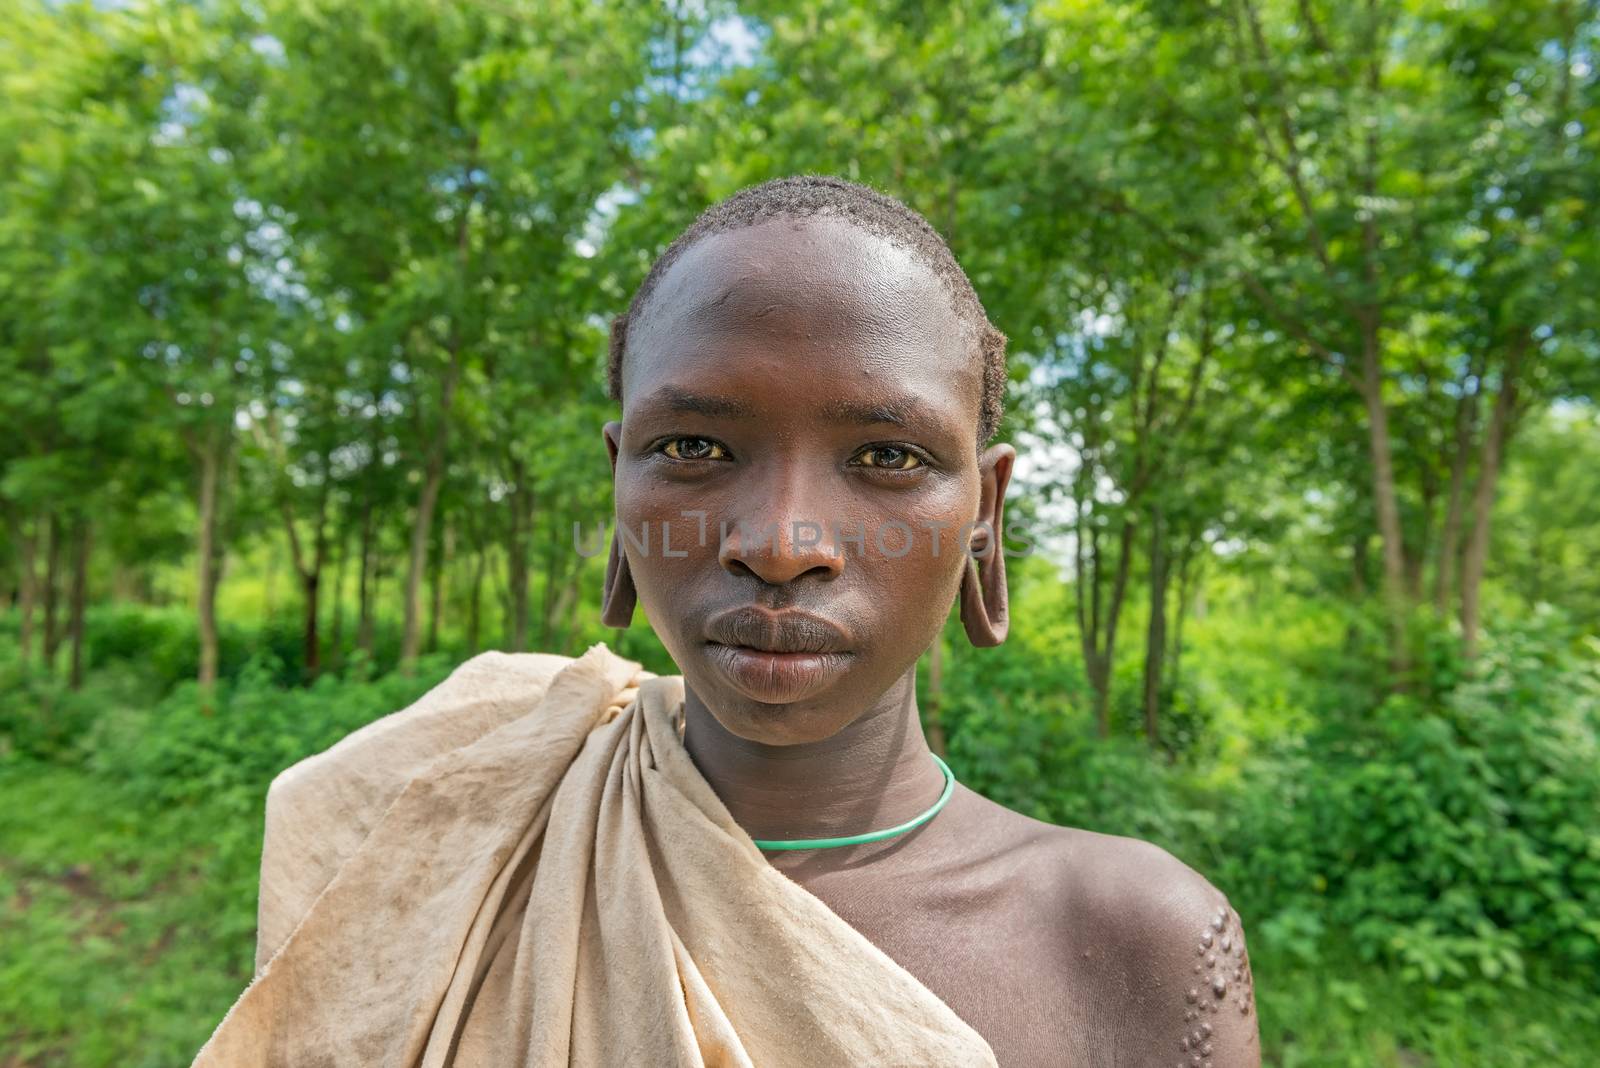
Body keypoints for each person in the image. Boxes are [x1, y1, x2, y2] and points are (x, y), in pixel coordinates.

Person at [194, 175, 1259, 1068]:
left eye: (887, 457)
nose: (783, 540)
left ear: (984, 512)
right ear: (618, 482)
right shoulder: (426, 834)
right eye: (695, 448)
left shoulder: (1138, 945)